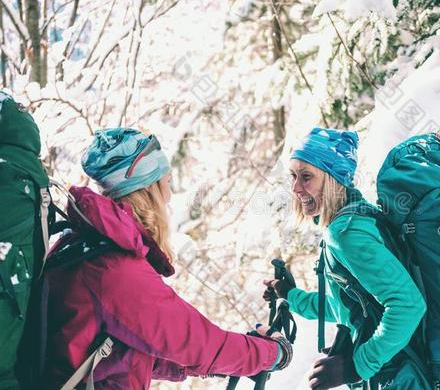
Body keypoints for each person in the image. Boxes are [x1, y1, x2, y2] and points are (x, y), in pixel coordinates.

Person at [43, 128, 291, 389]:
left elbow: (127, 352)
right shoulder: (112, 269)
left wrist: (218, 365)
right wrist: (274, 354)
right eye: (166, 183)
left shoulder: (79, 243)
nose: (170, 196)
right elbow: (197, 343)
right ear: (148, 190)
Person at [263, 127, 428, 389]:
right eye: (293, 176)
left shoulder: (348, 234)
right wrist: (290, 296)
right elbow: (348, 306)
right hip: (395, 373)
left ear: (333, 179)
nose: (295, 187)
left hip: (399, 376)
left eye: (306, 177)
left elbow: (408, 305)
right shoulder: (356, 220)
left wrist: (356, 367)